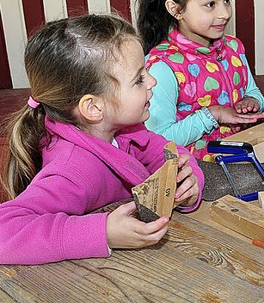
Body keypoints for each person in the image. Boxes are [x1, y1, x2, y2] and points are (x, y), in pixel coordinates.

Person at [0, 14, 204, 265]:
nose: (152, 81)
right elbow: (4, 233)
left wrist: (189, 185)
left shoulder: (126, 130)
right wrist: (103, 232)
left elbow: (169, 154)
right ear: (94, 108)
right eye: (139, 79)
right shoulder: (72, 171)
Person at [136, 0, 264, 161]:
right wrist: (213, 115)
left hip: (238, 158)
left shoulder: (233, 47)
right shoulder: (163, 66)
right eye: (210, 4)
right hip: (194, 175)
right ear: (176, 9)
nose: (224, 13)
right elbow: (159, 140)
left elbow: (254, 91)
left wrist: (251, 101)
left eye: (227, 0)